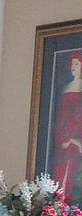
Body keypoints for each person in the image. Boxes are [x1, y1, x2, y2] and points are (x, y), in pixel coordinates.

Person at [53, 51, 82, 204]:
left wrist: (77, 140)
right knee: (60, 174)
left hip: (77, 139)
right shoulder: (66, 87)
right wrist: (63, 138)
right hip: (64, 139)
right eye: (72, 63)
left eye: (76, 63)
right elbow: (61, 117)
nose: (73, 66)